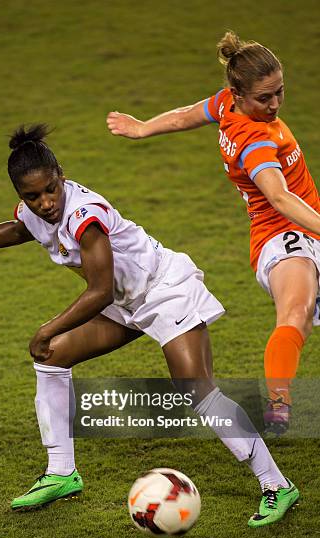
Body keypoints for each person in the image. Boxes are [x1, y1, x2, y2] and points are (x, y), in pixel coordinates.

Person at [0, 124, 299, 527]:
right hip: (124, 300)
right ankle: (61, 472)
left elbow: (97, 292)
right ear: (20, 195)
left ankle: (277, 485)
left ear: (61, 174)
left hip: (163, 290)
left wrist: (47, 327)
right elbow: (20, 228)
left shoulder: (85, 217)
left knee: (198, 391)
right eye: (32, 196)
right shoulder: (33, 211)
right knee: (51, 357)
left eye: (50, 190)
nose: (44, 203)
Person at [106, 31, 320, 436]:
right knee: (296, 313)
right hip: (283, 234)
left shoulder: (226, 105)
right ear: (238, 94)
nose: (275, 104)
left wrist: (143, 128)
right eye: (265, 97)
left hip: (308, 220)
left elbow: (189, 112)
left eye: (280, 92)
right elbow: (279, 198)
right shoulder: (253, 138)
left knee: (301, 318)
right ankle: (278, 402)